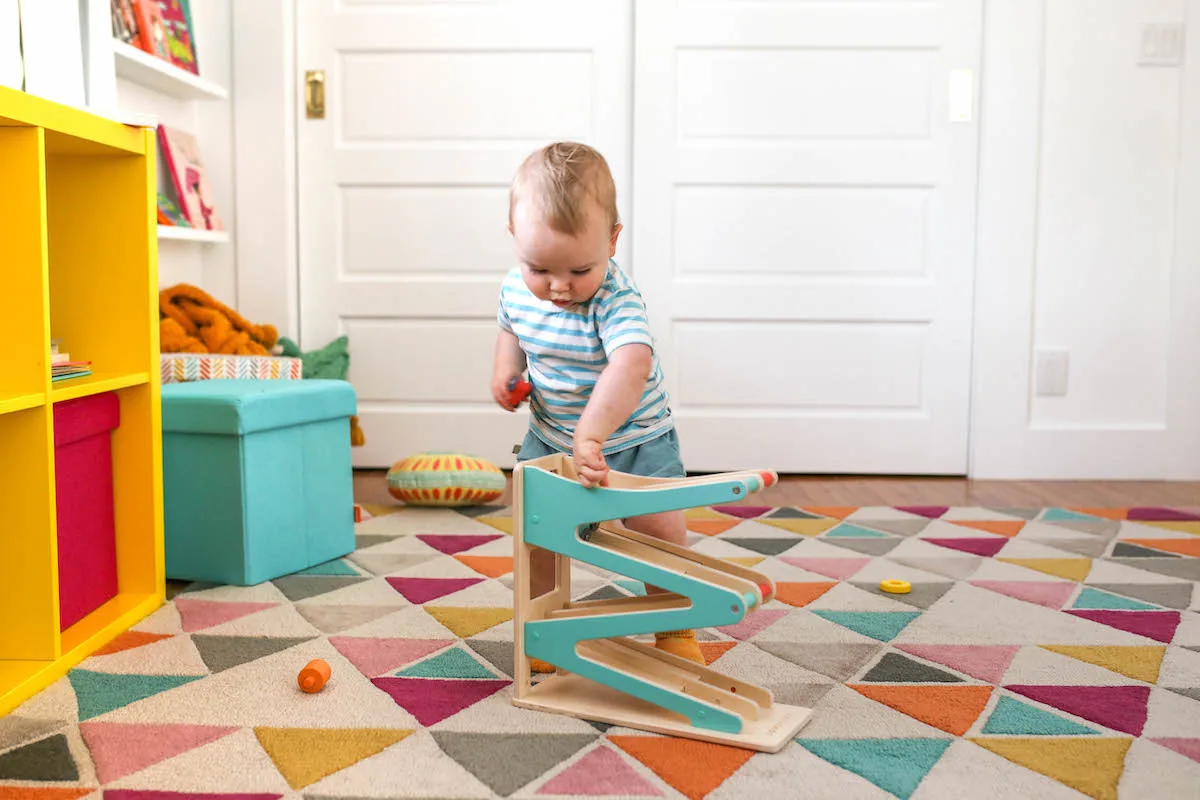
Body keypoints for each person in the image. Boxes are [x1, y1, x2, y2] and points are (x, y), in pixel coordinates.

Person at [491, 142, 704, 670]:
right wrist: (505, 375)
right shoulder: (517, 288)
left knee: (659, 532)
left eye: (578, 270)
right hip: (550, 433)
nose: (559, 287)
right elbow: (511, 329)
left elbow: (629, 365)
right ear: (515, 237)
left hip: (633, 436)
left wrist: (592, 433)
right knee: (536, 532)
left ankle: (672, 625)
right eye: (541, 269)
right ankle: (541, 624)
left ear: (612, 241)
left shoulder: (615, 299)